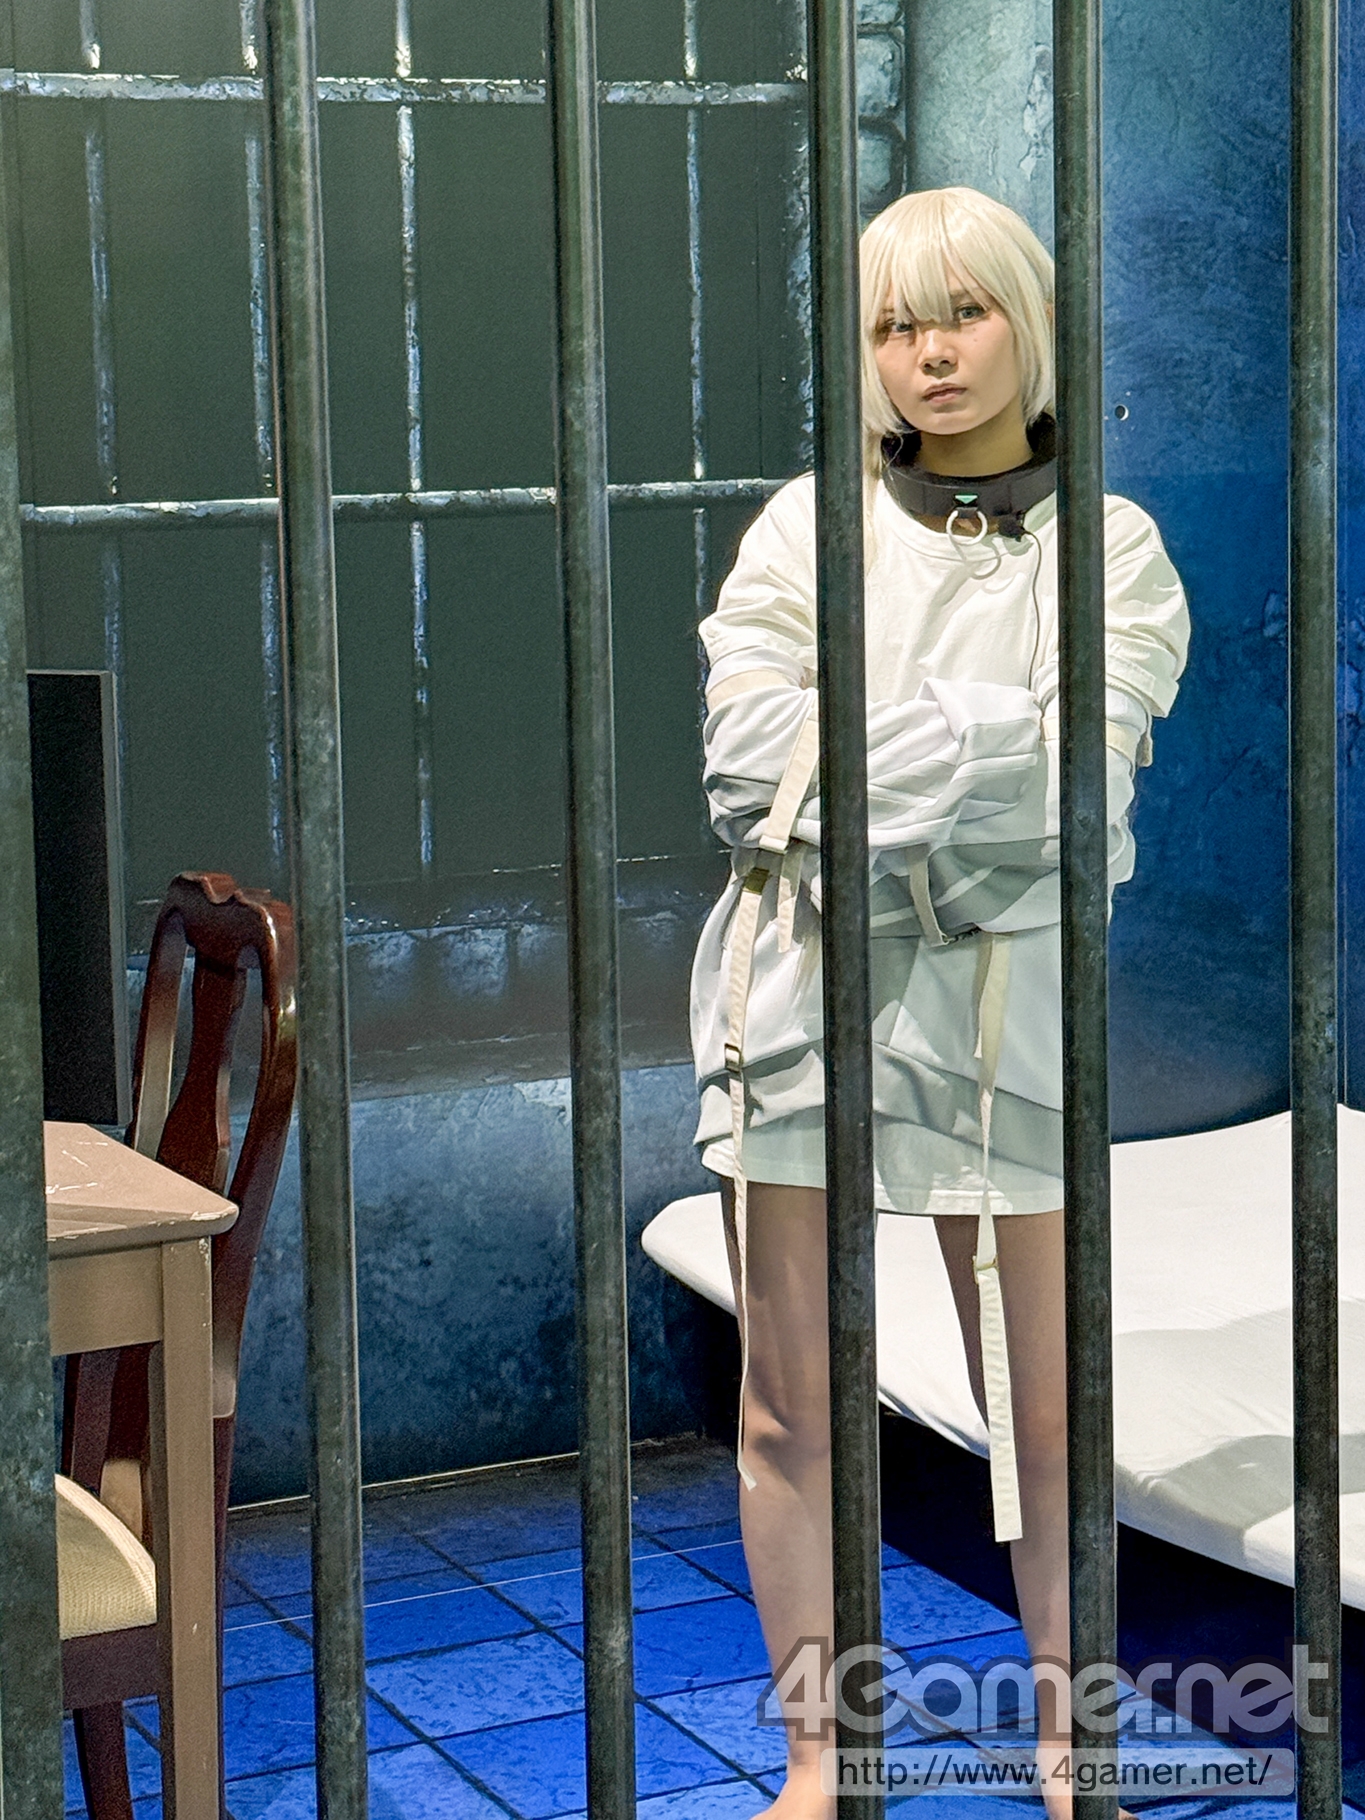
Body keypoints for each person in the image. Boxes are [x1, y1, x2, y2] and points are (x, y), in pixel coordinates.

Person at [688, 185, 1190, 1820]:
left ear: (1023, 320)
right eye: (895, 324)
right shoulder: (804, 529)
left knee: (1046, 1407)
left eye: (962, 312)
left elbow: (1071, 796)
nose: (930, 353)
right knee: (788, 1406)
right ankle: (821, 1757)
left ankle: (1067, 1738)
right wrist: (973, 741)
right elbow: (744, 773)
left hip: (1009, 1003)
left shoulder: (1109, 545)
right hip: (797, 988)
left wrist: (865, 764)